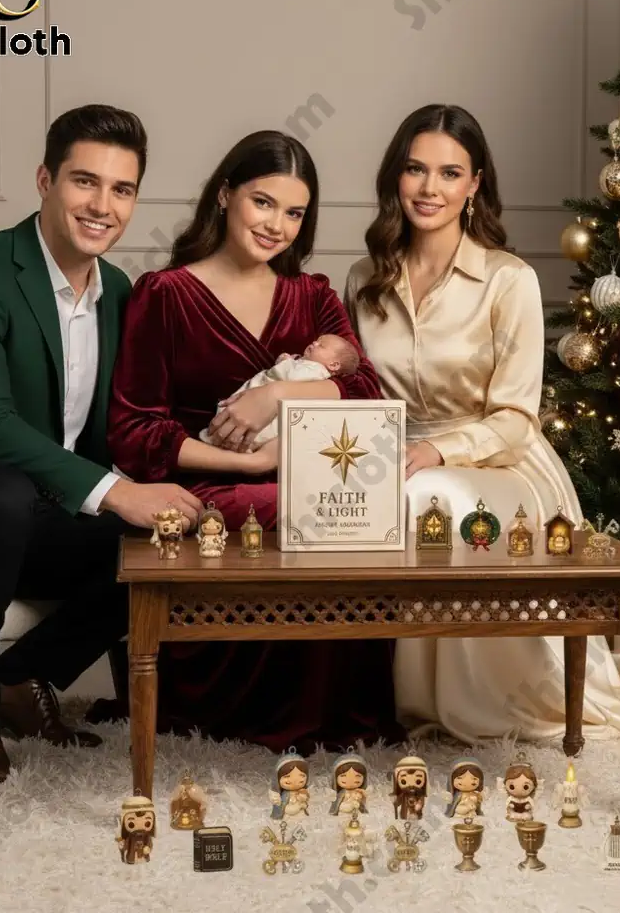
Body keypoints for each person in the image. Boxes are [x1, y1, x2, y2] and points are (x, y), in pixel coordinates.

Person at [344, 104, 620, 744]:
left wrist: (438, 453)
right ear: (395, 177)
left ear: (475, 183)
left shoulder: (510, 280)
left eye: (450, 173)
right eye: (415, 170)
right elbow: (360, 390)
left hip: (499, 463)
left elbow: (515, 418)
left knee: (433, 498)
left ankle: (474, 704)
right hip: (393, 456)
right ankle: (392, 699)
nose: (430, 189)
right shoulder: (364, 278)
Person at [0, 104, 205, 783]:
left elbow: (132, 418)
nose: (102, 205)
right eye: (83, 182)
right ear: (45, 180)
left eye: (121, 189)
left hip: (44, 521)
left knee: (167, 540)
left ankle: (22, 677)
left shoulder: (120, 292)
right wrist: (118, 491)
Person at [104, 130, 402, 753]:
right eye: (263, 203)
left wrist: (278, 396)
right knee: (308, 512)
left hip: (307, 479)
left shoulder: (312, 295)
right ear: (224, 195)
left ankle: (336, 709)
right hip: (203, 485)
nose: (277, 226)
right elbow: (135, 433)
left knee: (359, 509)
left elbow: (368, 392)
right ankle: (259, 711)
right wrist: (257, 460)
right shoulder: (165, 295)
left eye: (295, 213)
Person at [197, 333, 360, 447]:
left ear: (333, 365)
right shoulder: (307, 365)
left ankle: (223, 441)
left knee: (253, 430)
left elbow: (292, 378)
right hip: (259, 399)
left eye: (321, 345)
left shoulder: (316, 371)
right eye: (316, 341)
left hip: (268, 411)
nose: (314, 343)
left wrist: (286, 362)